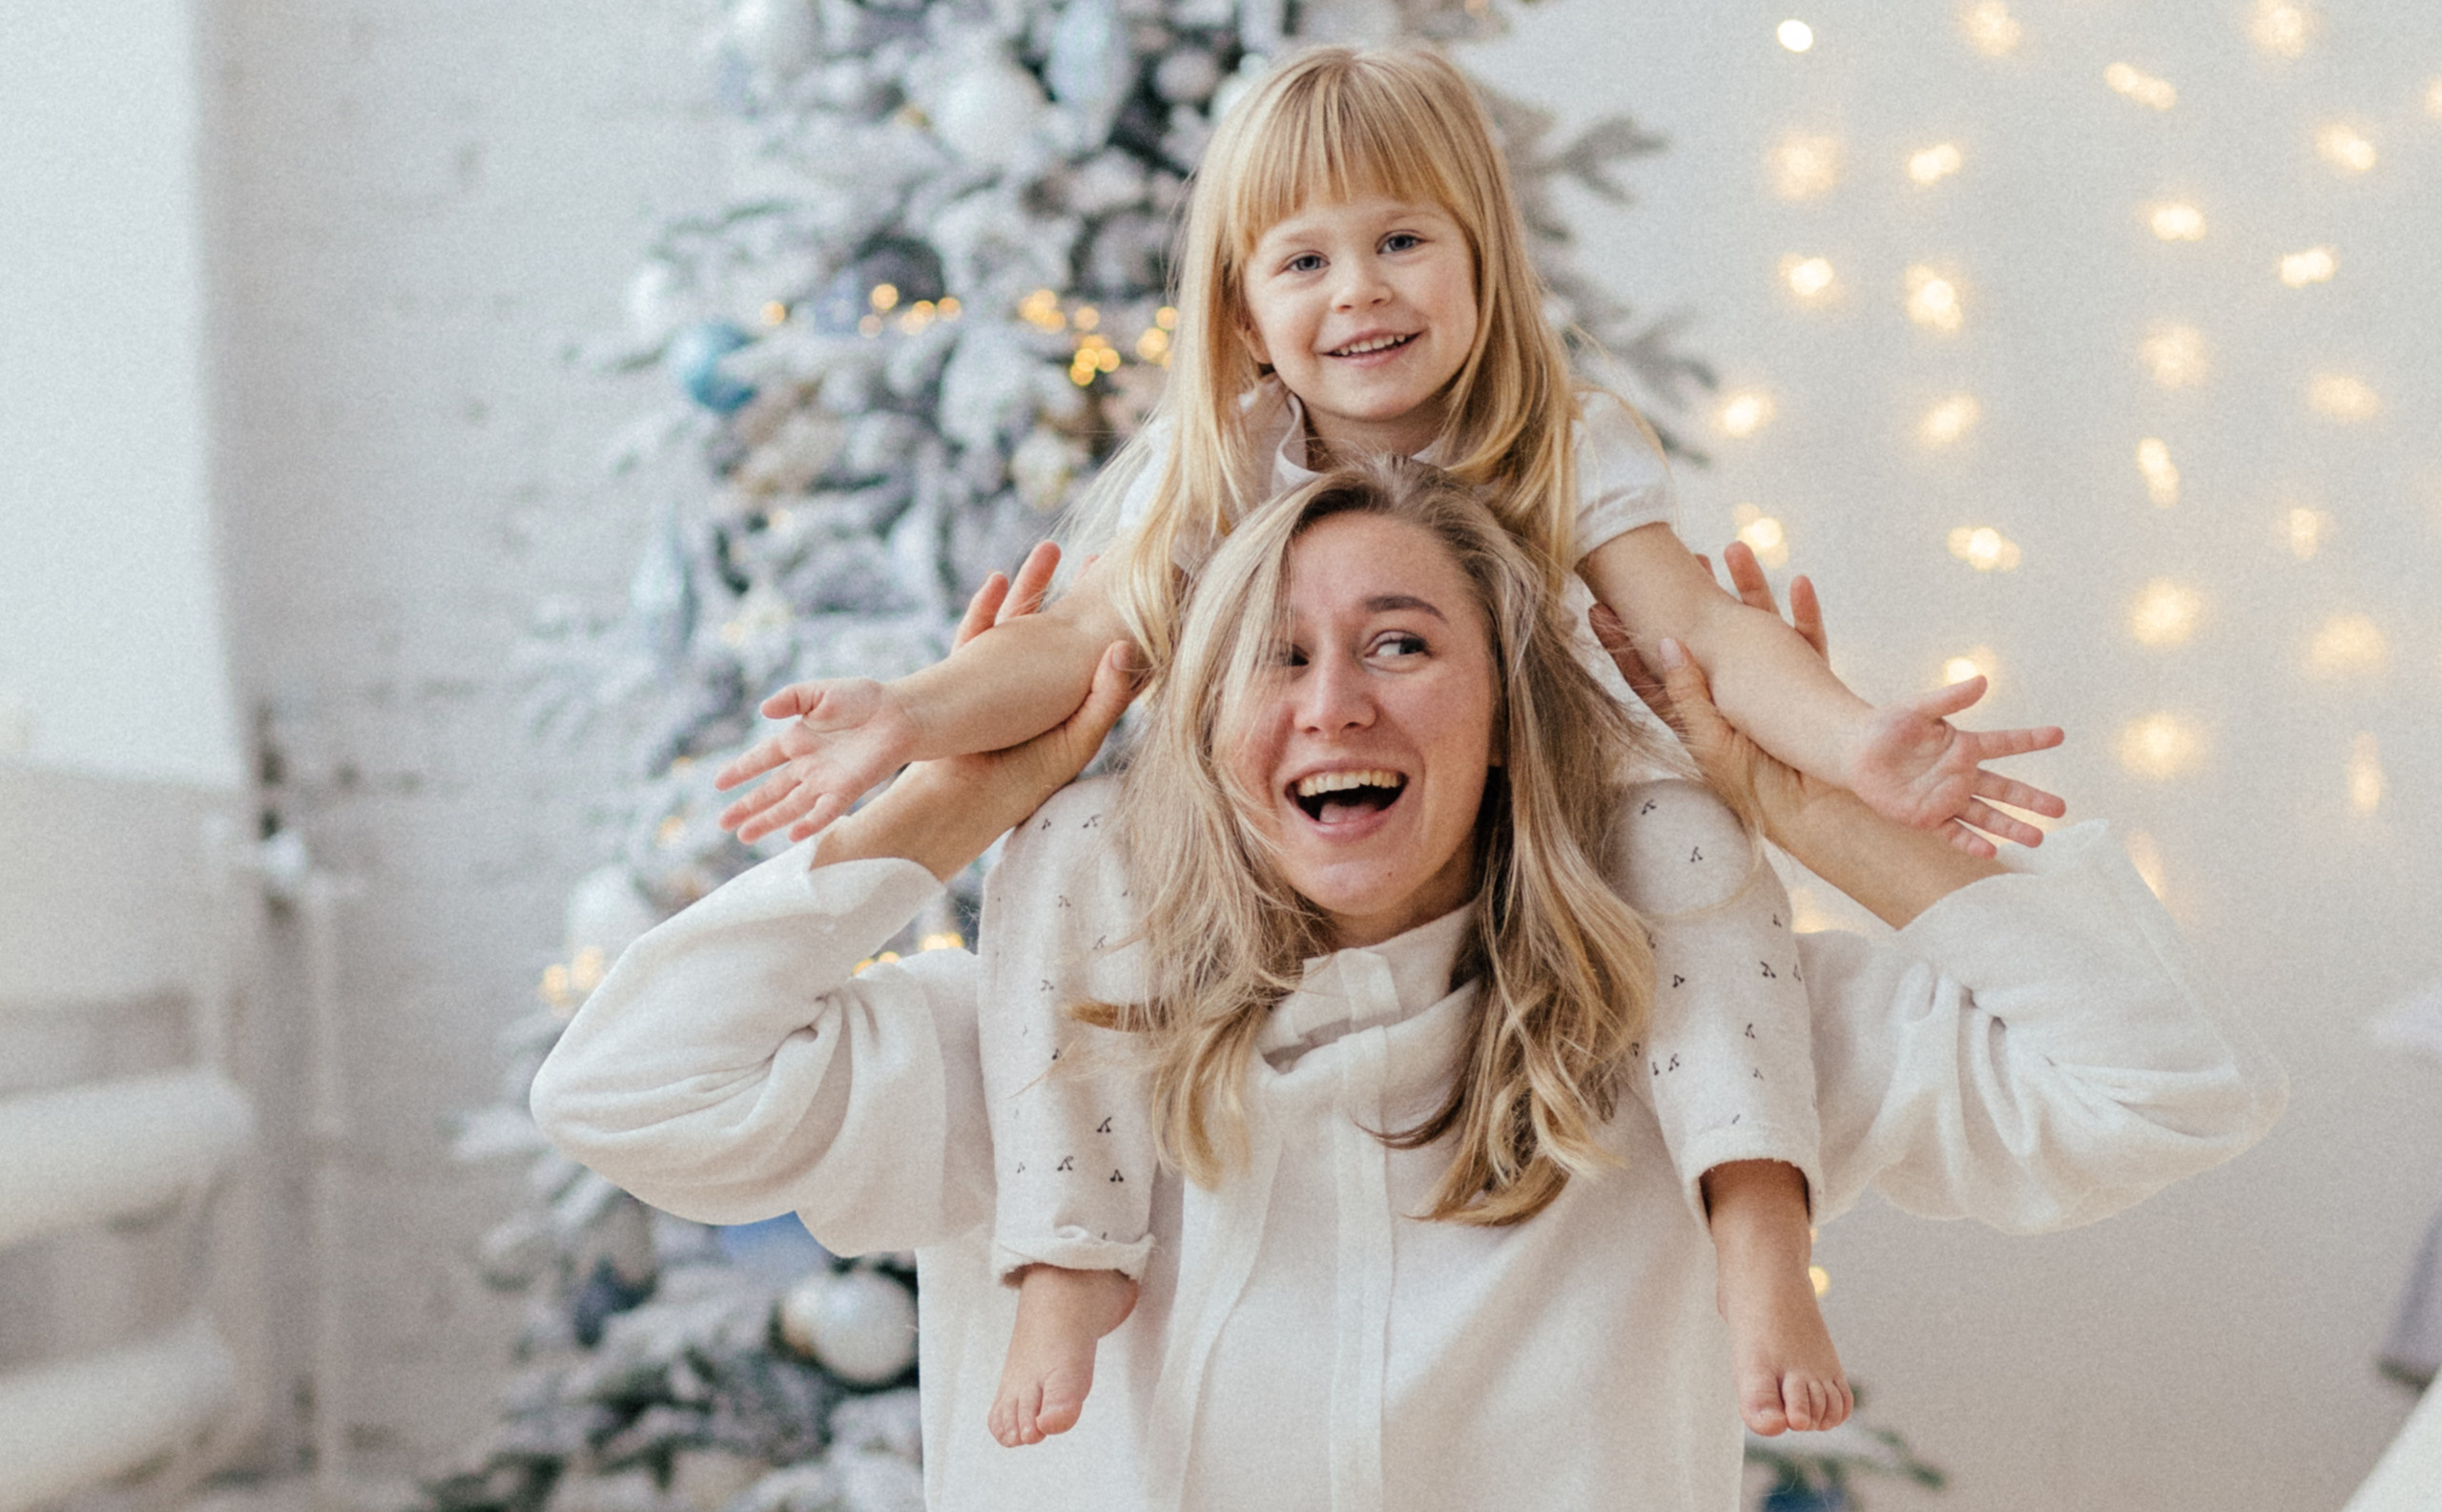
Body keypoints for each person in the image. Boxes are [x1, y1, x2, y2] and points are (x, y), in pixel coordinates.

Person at [706, 44, 2070, 1443]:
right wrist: (913, 715)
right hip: (1271, 824)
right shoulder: (1221, 459)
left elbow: (1701, 636)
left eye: (1403, 240)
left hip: (1540, 805)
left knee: (1695, 847)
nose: (1358, 290)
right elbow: (1067, 646)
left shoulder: (1562, 439)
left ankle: (1760, 1227)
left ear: (1484, 260)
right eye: (1302, 261)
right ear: (1239, 311)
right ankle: (1070, 1252)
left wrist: (1856, 750)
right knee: (1062, 841)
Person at [531, 461, 2282, 1512]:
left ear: (1512, 721)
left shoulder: (1697, 1046)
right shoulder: (1032, 1063)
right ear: (1202, 738)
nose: (1335, 707)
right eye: (1274, 660)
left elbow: (2163, 1090)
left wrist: (1798, 806)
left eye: (1401, 644)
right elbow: (630, 1092)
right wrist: (960, 800)